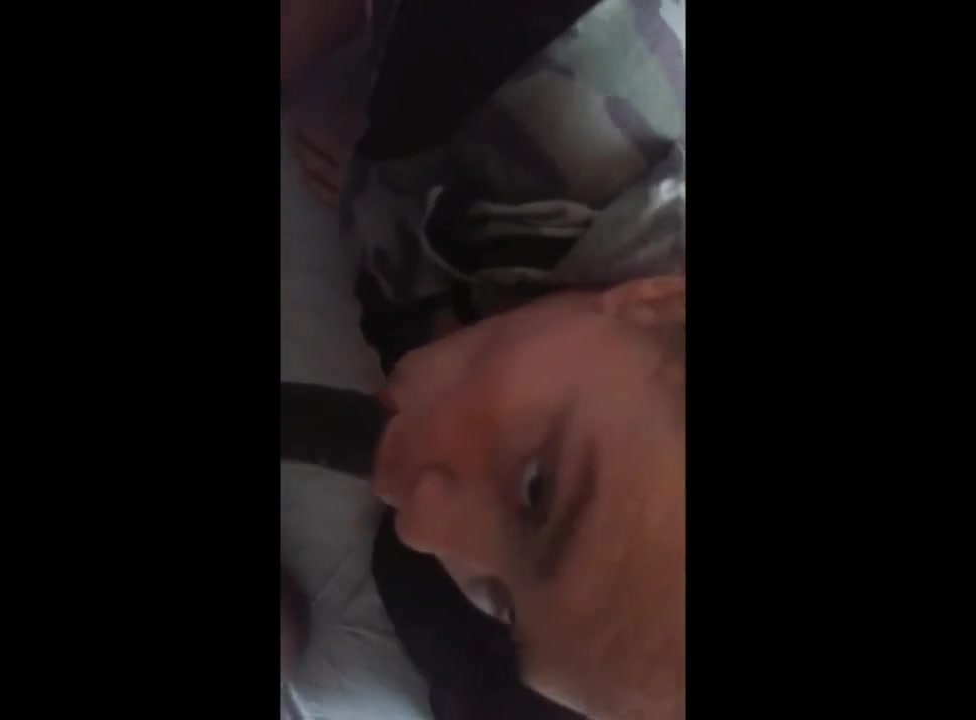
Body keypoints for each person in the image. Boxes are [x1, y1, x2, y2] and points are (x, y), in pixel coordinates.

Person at [281, 1, 686, 717]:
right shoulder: (541, 64)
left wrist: (381, 172)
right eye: (536, 488)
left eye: (505, 604)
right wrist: (405, 119)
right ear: (658, 305)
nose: (421, 522)